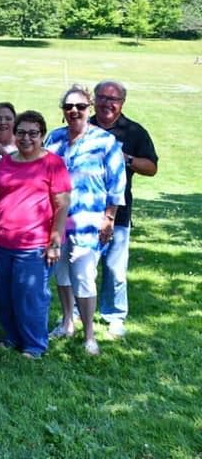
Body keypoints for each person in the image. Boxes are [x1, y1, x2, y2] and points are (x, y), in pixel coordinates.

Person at [44, 85, 126, 355]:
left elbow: (116, 183)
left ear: (89, 108)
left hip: (89, 221)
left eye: (80, 106)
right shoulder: (54, 139)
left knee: (84, 275)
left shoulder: (105, 142)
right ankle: (67, 321)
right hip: (56, 221)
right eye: (68, 107)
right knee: (62, 274)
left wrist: (109, 217)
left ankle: (89, 333)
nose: (74, 111)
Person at [0, 110, 70, 358]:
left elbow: (62, 204)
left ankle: (34, 345)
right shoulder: (6, 162)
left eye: (33, 133)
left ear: (42, 135)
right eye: (21, 132)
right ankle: (11, 337)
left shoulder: (53, 163)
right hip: (1, 241)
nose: (26, 138)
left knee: (30, 297)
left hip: (34, 244)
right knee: (5, 295)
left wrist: (55, 241)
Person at [90, 79, 158, 338]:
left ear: (122, 103)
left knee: (115, 267)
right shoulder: (85, 126)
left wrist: (126, 159)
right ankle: (73, 312)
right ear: (94, 99)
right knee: (81, 265)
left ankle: (114, 315)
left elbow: (151, 167)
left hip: (118, 211)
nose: (107, 103)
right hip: (84, 211)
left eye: (113, 99)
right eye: (102, 97)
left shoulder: (134, 131)